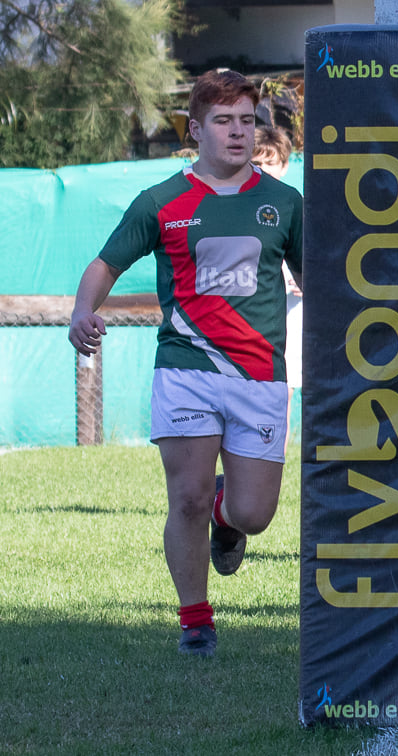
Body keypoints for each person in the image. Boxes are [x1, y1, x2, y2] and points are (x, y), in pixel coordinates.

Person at [68, 69, 303, 658]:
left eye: (247, 121)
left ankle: (229, 514)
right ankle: (196, 622)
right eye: (223, 122)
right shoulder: (161, 202)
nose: (238, 133)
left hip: (260, 377)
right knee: (187, 498)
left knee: (254, 514)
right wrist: (80, 310)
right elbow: (105, 265)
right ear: (195, 129)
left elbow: (318, 278)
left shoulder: (284, 203)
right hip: (185, 369)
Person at [252, 126, 302, 445]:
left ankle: (273, 469)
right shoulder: (234, 206)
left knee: (281, 395)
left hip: (293, 317)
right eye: (257, 163)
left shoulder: (295, 206)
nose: (264, 170)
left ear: (284, 166)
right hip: (253, 319)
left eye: (270, 163)